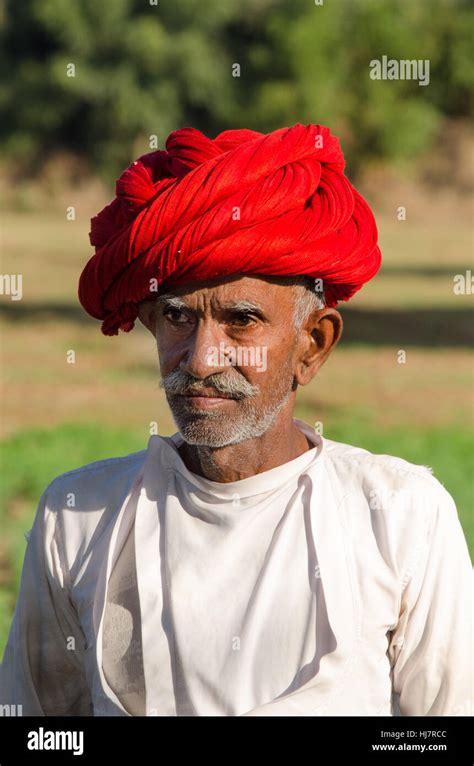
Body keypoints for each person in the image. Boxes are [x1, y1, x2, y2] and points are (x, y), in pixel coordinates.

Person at [0, 124, 471, 716]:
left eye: (241, 321)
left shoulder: (401, 517)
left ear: (313, 345)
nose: (200, 359)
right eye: (178, 317)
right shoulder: (78, 517)